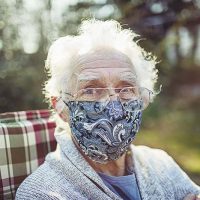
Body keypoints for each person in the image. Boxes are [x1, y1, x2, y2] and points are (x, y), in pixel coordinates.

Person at [16, 19, 200, 200]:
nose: (114, 105)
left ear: (142, 99)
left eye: (126, 88)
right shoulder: (42, 192)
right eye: (91, 90)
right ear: (60, 107)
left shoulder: (160, 162)